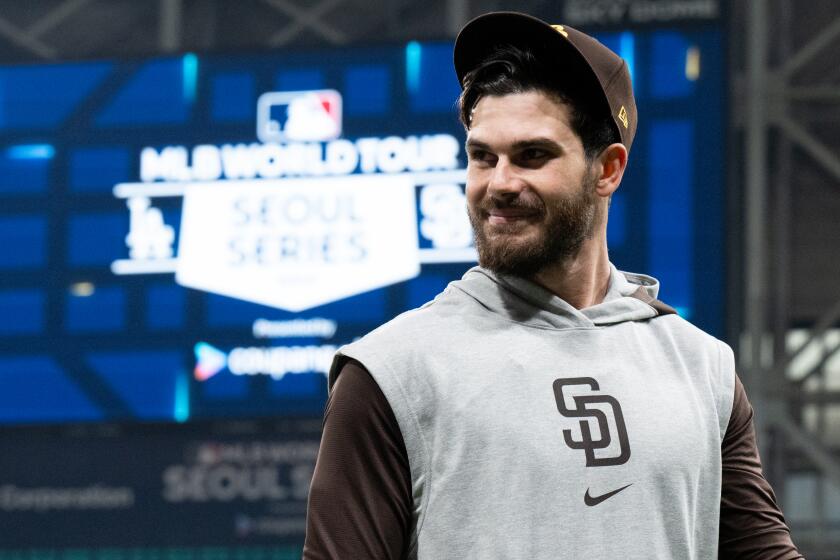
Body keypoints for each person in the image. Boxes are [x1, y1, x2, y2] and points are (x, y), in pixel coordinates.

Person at [303, 11, 803, 560]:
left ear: (608, 169)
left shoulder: (703, 369)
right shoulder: (391, 372)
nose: (500, 184)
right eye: (481, 157)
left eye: (532, 155)